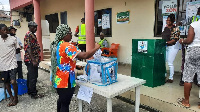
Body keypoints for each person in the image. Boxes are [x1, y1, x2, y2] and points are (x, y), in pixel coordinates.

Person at [51, 24, 100, 112]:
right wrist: (96, 48)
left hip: (58, 78)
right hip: (66, 80)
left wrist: (74, 65)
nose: (72, 34)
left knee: (61, 100)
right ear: (64, 34)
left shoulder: (58, 44)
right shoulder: (67, 45)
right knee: (65, 104)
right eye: (70, 32)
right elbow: (85, 55)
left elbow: (61, 59)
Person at [178, 15, 200, 108]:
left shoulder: (194, 24)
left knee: (188, 76)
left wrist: (182, 41)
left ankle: (186, 101)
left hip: (194, 50)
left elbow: (190, 40)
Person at [0, 24, 19, 106]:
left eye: (6, 30)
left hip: (12, 64)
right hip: (3, 65)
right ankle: (11, 97)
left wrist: (12, 54)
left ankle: (16, 98)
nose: (6, 32)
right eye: (3, 30)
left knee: (13, 81)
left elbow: (18, 49)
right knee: (6, 83)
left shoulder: (13, 39)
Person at [24, 21, 43, 99]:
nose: (36, 29)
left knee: (31, 76)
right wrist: (33, 60)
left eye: (36, 27)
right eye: (34, 27)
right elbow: (28, 48)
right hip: (31, 60)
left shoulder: (32, 35)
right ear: (30, 27)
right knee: (33, 76)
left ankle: (30, 90)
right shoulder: (28, 35)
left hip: (33, 59)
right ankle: (33, 94)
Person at [162, 14, 181, 83]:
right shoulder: (166, 28)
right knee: (164, 61)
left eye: (170, 20)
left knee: (170, 62)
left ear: (173, 21)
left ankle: (171, 78)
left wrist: (166, 43)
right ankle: (164, 75)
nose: (168, 21)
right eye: (167, 20)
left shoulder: (175, 28)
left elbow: (175, 39)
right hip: (166, 46)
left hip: (173, 46)